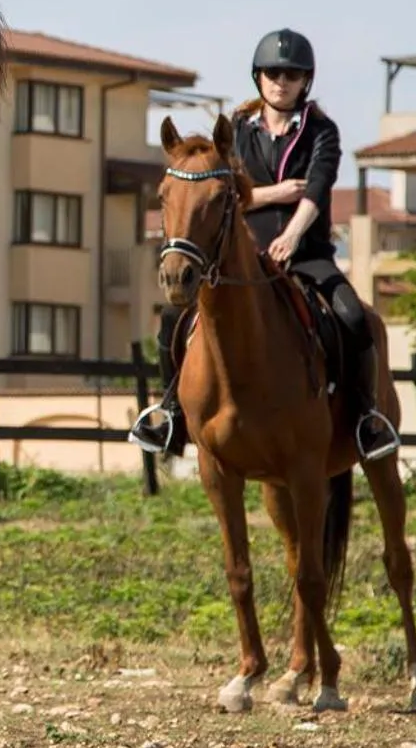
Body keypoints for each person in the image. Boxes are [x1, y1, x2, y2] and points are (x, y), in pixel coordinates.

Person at [129, 28, 400, 461]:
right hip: (245, 256)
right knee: (171, 319)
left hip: (306, 254)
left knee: (354, 317)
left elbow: (316, 191)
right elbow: (227, 191)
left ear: (305, 80)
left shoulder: (322, 131)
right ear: (258, 77)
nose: (281, 81)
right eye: (273, 73)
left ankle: (366, 418)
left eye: (292, 75)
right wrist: (277, 192)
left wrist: (292, 235)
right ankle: (172, 414)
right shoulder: (237, 131)